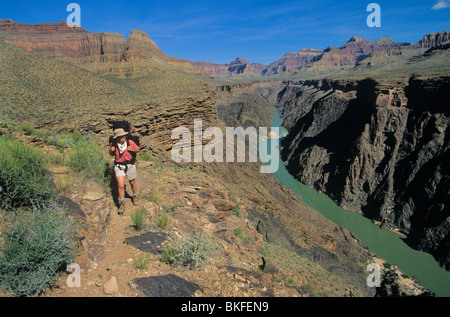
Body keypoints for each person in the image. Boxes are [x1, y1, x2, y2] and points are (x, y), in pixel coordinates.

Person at [109, 128, 140, 215]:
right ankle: (122, 203)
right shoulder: (114, 144)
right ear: (118, 137)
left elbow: (138, 149)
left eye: (124, 135)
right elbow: (111, 154)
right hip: (119, 166)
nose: (124, 137)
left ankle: (135, 196)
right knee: (121, 185)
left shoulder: (130, 142)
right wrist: (110, 151)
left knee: (132, 182)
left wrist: (132, 149)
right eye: (122, 136)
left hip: (130, 165)